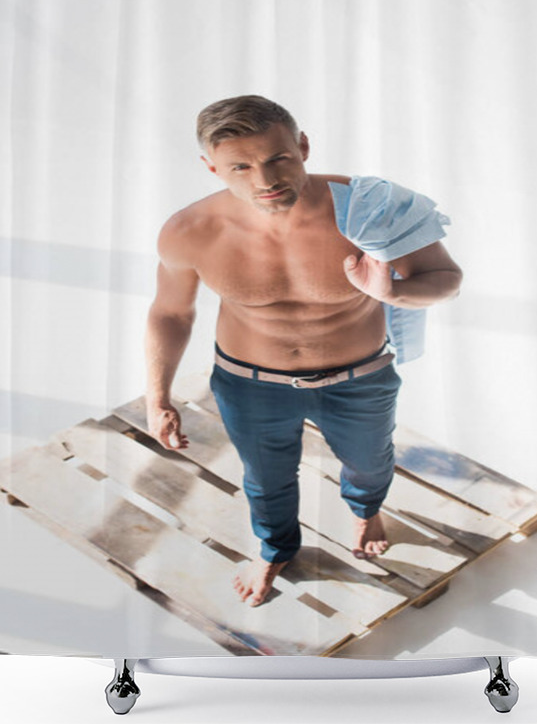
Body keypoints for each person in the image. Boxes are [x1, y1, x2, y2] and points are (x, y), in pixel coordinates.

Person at [144, 95, 462, 607]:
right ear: (212, 168)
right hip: (251, 384)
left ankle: (365, 508)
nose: (263, 179)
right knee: (265, 479)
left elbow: (446, 279)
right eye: (240, 167)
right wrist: (157, 395)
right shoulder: (190, 232)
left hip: (359, 377)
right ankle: (275, 549)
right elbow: (171, 313)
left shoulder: (369, 211)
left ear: (304, 146)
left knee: (370, 464)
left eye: (278, 159)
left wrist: (392, 293)